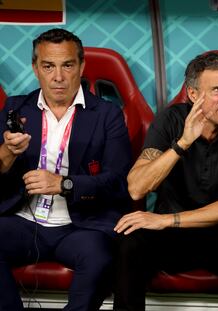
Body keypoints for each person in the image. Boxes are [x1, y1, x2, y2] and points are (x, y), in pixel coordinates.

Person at [113, 52, 218, 311]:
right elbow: (137, 187)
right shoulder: (170, 120)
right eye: (217, 90)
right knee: (130, 237)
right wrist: (183, 142)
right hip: (173, 240)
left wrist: (164, 220)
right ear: (193, 95)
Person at [0, 28, 131, 311]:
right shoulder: (15, 108)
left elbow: (119, 182)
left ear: (81, 67)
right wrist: (7, 152)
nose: (58, 77)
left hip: (81, 226)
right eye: (48, 66)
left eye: (67, 65)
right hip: (23, 220)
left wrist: (64, 183)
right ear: (36, 68)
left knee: (99, 258)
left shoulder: (107, 114)